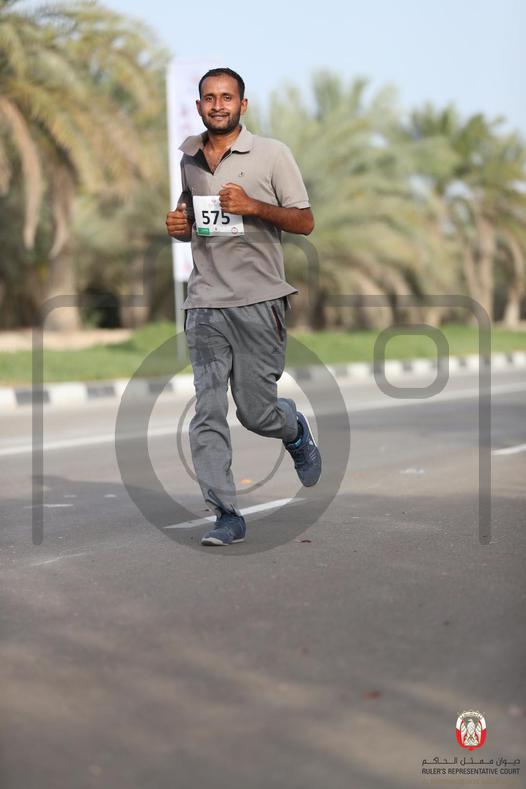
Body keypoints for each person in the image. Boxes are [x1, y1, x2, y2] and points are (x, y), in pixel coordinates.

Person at [166, 67, 321, 546]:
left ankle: (293, 430)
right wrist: (181, 226)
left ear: (242, 105)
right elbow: (195, 216)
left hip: (260, 301)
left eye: (227, 97)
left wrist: (254, 206)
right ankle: (225, 513)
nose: (218, 105)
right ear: (199, 106)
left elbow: (305, 221)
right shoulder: (190, 159)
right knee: (208, 409)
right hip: (205, 303)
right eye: (209, 98)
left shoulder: (272, 154)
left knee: (256, 413)